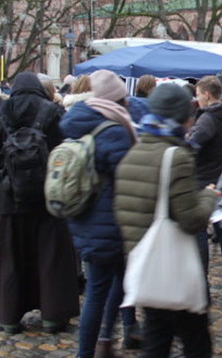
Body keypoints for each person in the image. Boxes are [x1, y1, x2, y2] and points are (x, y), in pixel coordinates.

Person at [114, 83, 219, 356]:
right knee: (197, 344)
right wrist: (209, 197)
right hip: (172, 267)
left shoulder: (131, 154)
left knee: (157, 339)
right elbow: (192, 220)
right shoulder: (177, 157)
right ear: (182, 117)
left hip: (146, 264)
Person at [0, 72, 80, 334]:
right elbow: (66, 150)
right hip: (47, 197)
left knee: (9, 258)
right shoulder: (54, 112)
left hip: (6, 198)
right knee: (51, 257)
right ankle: (53, 317)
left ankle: (10, 318)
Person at [59, 69, 139, 357]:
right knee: (98, 291)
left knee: (117, 280)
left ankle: (106, 340)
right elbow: (127, 177)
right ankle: (93, 346)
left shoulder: (76, 121)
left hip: (83, 217)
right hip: (110, 223)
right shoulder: (114, 129)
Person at [188, 75, 222, 299]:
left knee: (200, 231)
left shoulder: (208, 119)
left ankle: (202, 283)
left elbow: (193, 145)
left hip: (204, 180)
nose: (197, 98)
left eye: (198, 94)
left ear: (207, 94)